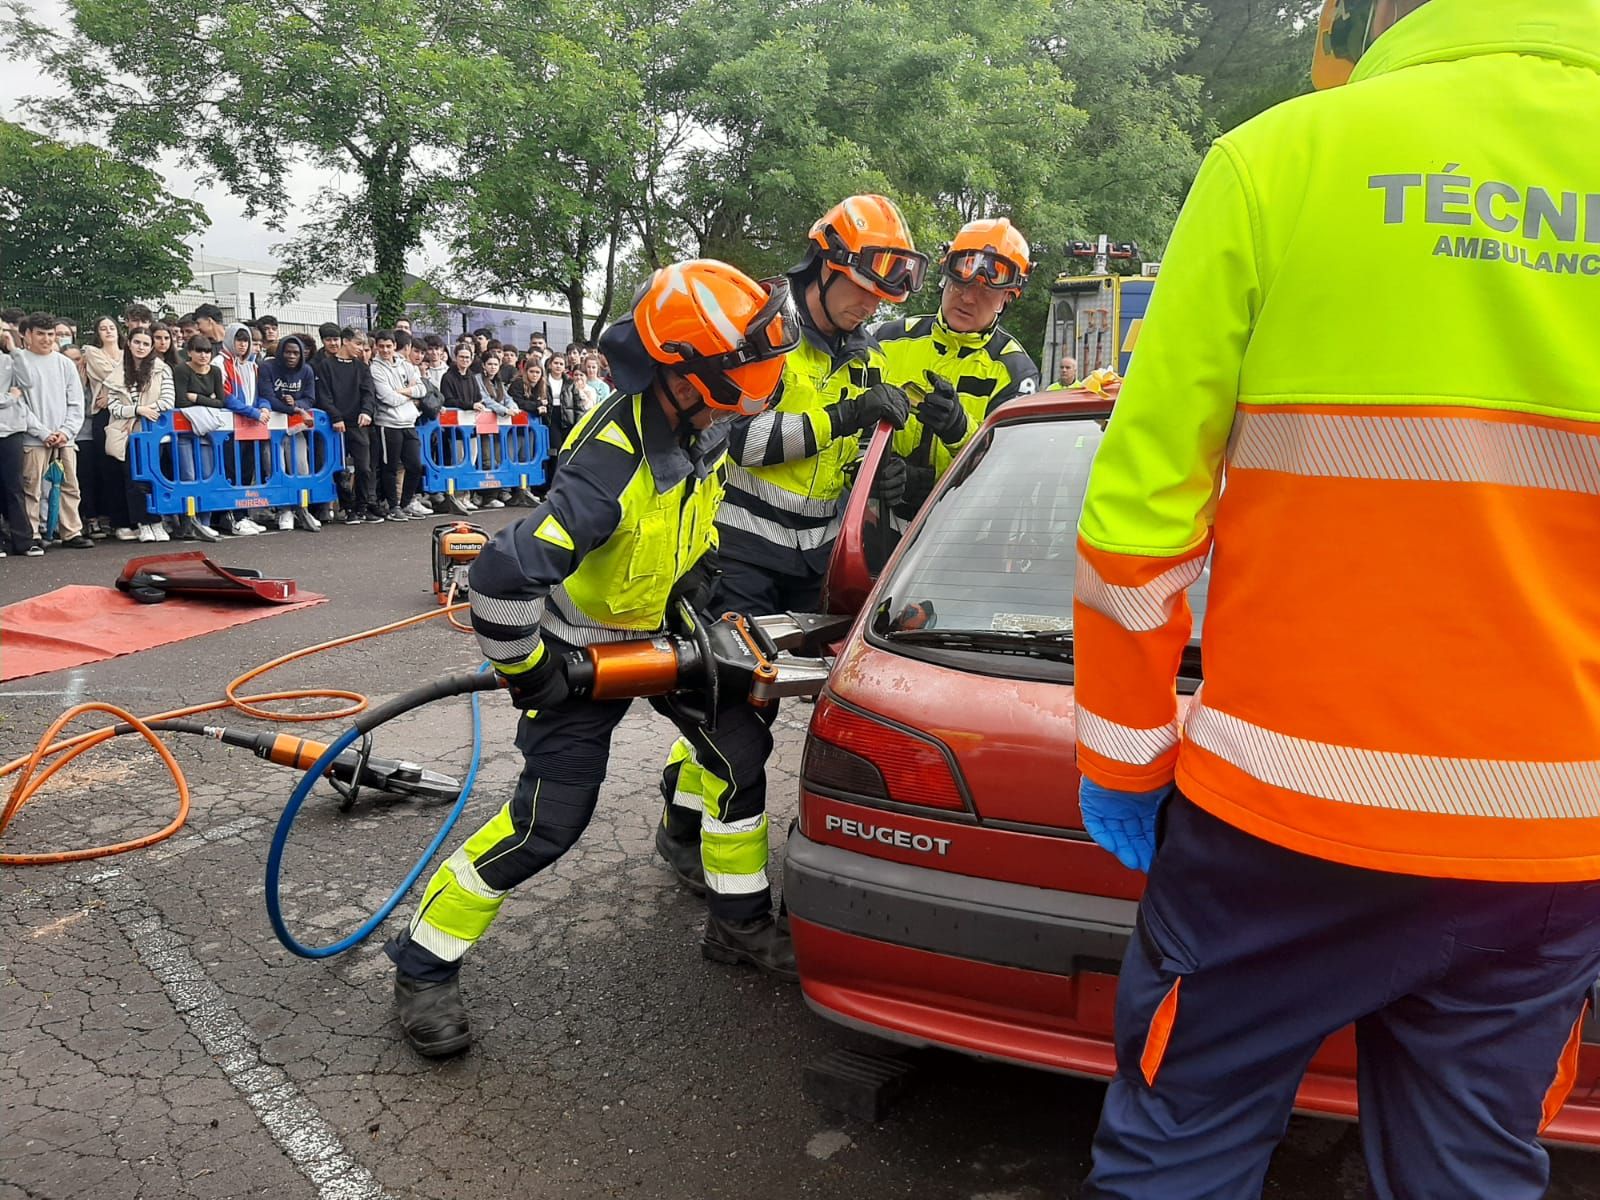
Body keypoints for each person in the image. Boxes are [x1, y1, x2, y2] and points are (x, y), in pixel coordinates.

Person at [1072, 3, 1600, 1198]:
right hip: (1554, 842)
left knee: (1181, 1149)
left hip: (1280, 822)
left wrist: (1123, 755)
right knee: (1470, 1172)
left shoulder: (1282, 158)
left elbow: (1137, 521)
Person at [383, 258, 800, 1057]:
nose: (766, 377)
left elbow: (684, 525)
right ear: (687, 374)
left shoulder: (698, 424)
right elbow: (502, 574)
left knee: (739, 758)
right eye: (751, 364)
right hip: (580, 651)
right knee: (547, 824)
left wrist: (706, 601)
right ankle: (425, 961)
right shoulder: (609, 465)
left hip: (666, 626)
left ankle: (739, 926)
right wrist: (530, 670)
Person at [654, 194, 923, 891]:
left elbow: (847, 448)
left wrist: (881, 466)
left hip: (812, 556)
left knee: (757, 704)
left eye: (878, 298)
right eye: (860, 292)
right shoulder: (762, 331)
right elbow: (741, 438)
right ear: (821, 264)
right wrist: (845, 417)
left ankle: (684, 815)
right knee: (740, 713)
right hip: (740, 551)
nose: (868, 309)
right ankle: (699, 848)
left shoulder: (862, 352)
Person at [875, 217, 1041, 509]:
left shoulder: (1016, 371)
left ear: (1006, 298)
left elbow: (1010, 471)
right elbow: (846, 436)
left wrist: (960, 431)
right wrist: (874, 472)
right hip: (876, 525)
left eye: (985, 291)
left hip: (955, 532)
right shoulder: (889, 340)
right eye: (959, 283)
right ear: (944, 280)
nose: (967, 298)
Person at [16, 313, 92, 553]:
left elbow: (76, 402)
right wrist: (41, 432)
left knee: (70, 485)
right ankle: (33, 533)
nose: (47, 339)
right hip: (33, 438)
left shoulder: (65, 364)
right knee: (32, 487)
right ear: (27, 335)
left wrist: (66, 431)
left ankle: (71, 531)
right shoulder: (18, 363)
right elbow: (19, 405)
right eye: (41, 334)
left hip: (64, 437)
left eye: (51, 334)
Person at [106, 326, 174, 542]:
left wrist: (144, 411)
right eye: (137, 342)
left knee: (154, 477)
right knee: (133, 480)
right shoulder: (117, 373)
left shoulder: (162, 369)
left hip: (154, 433)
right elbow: (113, 406)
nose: (141, 347)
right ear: (129, 343)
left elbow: (167, 401)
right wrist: (136, 410)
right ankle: (143, 523)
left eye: (146, 343)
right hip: (126, 434)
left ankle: (157, 521)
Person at [313, 324, 381, 524]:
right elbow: (323, 395)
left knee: (364, 467)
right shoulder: (325, 366)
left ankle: (362, 507)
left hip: (358, 424)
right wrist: (335, 416)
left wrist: (367, 411)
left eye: (364, 345)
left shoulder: (361, 367)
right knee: (339, 469)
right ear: (346, 341)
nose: (361, 348)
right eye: (358, 343)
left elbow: (369, 393)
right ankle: (347, 507)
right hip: (334, 426)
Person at [256, 334, 322, 531]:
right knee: (276, 467)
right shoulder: (268, 368)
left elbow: (310, 398)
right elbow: (266, 396)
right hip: (272, 429)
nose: (291, 356)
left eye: (295, 353)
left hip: (295, 429)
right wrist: (292, 409)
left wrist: (298, 405)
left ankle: (302, 508)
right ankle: (284, 510)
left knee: (301, 466)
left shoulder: (307, 371)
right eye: (287, 352)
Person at [83, 314, 138, 540]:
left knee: (131, 469)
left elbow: (134, 379)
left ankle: (137, 519)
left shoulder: (129, 354)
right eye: (103, 328)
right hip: (104, 414)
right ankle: (119, 522)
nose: (108, 331)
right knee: (110, 469)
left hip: (129, 412)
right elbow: (115, 376)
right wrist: (119, 387)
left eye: (111, 327)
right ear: (97, 333)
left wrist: (113, 395)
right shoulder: (92, 352)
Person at [370, 329, 427, 521]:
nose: (385, 350)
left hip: (408, 422)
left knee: (415, 466)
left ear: (395, 345)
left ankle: (405, 503)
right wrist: (409, 394)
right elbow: (387, 398)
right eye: (381, 346)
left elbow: (422, 389)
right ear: (376, 347)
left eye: (389, 346)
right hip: (388, 423)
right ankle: (393, 506)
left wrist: (402, 391)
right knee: (390, 467)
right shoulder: (375, 368)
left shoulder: (406, 365)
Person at [0, 319, 37, 557]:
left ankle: (23, 540)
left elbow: (27, 382)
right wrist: (9, 398)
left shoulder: (8, 359)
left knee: (14, 486)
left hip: (11, 430)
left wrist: (14, 350)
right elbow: (12, 394)